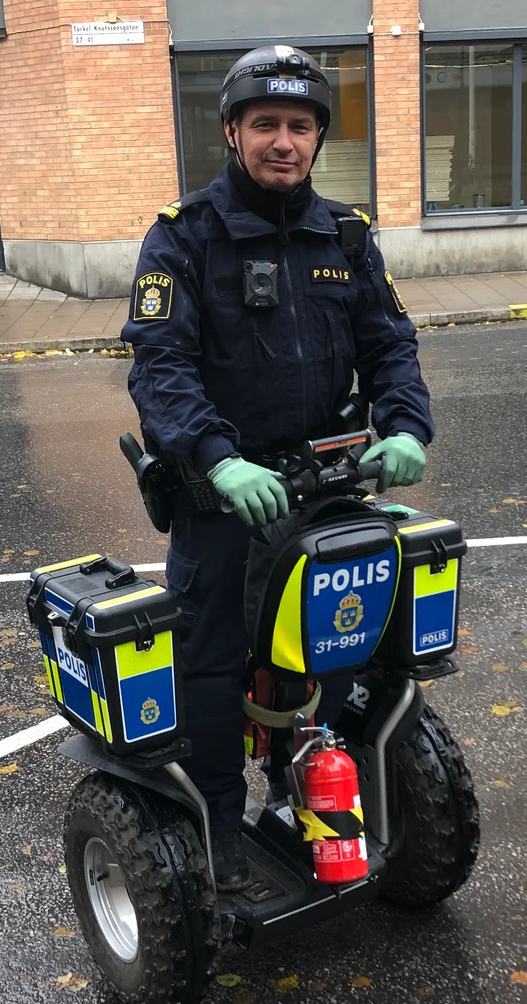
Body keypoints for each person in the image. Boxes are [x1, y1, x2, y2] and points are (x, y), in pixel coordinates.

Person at [122, 45, 434, 891]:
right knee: (215, 673)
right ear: (233, 132)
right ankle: (217, 837)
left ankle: (310, 795)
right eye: (266, 124)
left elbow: (390, 345)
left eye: (301, 126)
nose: (284, 142)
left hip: (324, 491)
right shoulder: (183, 238)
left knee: (337, 656)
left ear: (318, 138)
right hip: (223, 504)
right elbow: (159, 366)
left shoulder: (348, 236)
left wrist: (405, 426)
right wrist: (218, 462)